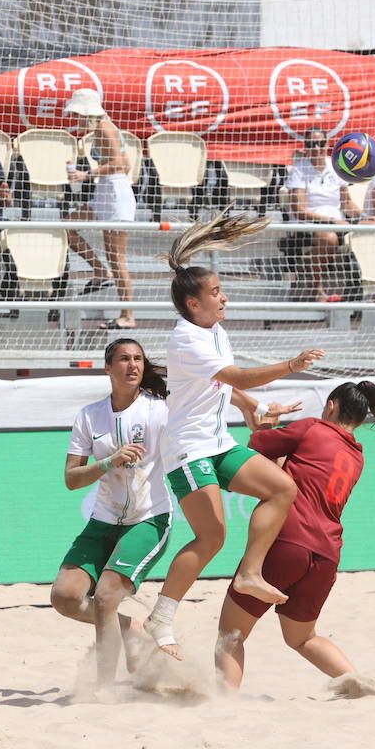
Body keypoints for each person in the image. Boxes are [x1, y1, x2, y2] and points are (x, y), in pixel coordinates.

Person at [143, 210, 324, 660]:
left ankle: (250, 573)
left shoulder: (214, 330)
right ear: (193, 303)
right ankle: (161, 616)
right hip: (186, 448)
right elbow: (238, 374)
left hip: (216, 441)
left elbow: (224, 384)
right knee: (211, 537)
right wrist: (290, 366)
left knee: (283, 488)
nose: (224, 297)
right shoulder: (188, 338)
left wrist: (259, 408)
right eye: (216, 292)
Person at [214, 356, 375, 691]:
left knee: (230, 634)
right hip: (326, 555)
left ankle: (223, 703)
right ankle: (362, 685)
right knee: (303, 638)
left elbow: (258, 449)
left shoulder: (313, 428)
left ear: (331, 406)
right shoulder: (357, 455)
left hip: (288, 541)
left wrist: (268, 420)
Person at [51, 338, 172, 685]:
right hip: (104, 519)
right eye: (123, 359)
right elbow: (72, 479)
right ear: (108, 368)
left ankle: (103, 687)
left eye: (138, 359)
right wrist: (108, 461)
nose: (133, 365)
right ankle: (132, 627)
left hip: (149, 518)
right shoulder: (90, 416)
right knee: (65, 597)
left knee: (105, 597)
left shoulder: (160, 409)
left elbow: (202, 416)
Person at [62, 88, 138, 330]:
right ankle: (98, 270)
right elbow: (122, 162)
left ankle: (127, 315)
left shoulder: (106, 128)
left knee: (117, 259)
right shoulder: (103, 127)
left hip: (115, 194)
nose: (75, 119)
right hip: (105, 191)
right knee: (68, 226)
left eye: (77, 114)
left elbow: (120, 165)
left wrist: (87, 174)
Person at [283, 128, 375, 300]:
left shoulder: (336, 166)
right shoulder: (299, 170)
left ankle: (373, 291)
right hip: (307, 225)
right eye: (311, 144)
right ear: (305, 148)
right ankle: (316, 289)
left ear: (327, 145)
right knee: (329, 238)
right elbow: (300, 211)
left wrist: (364, 217)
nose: (317, 148)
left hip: (337, 222)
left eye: (321, 143)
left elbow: (346, 203)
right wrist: (332, 221)